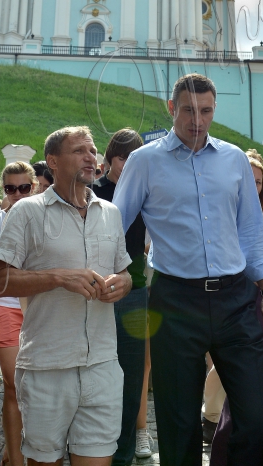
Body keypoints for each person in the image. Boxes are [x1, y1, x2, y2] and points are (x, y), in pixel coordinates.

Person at [113, 73, 263, 466]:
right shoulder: (144, 160)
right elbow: (114, 225)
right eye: (189, 110)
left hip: (236, 299)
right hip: (175, 301)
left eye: (206, 111)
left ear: (213, 110)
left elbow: (251, 231)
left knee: (259, 419)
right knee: (178, 425)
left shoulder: (235, 159)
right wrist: (114, 272)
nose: (197, 120)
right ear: (172, 108)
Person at [0, 126, 132, 465]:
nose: (90, 156)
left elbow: (123, 271)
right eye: (79, 150)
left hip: (102, 366)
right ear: (53, 161)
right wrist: (56, 277)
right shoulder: (27, 211)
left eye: (92, 150)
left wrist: (122, 284)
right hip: (46, 367)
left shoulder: (110, 213)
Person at [209, 151, 263, 466]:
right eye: (248, 180)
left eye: (259, 182)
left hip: (262, 303)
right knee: (258, 390)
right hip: (235, 305)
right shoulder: (221, 211)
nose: (253, 187)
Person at [92, 128, 150, 465]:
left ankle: (123, 454)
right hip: (98, 291)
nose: (127, 164)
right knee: (97, 371)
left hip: (136, 291)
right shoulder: (94, 191)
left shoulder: (147, 192)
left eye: (133, 158)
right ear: (110, 158)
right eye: (121, 158)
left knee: (131, 375)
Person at [0, 162, 38, 466]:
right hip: (8, 308)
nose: (17, 194)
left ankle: (23, 443)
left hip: (43, 309)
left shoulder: (46, 219)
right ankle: (16, 458)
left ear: (35, 186)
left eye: (24, 187)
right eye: (10, 188)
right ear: (4, 190)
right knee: (15, 384)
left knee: (40, 386)